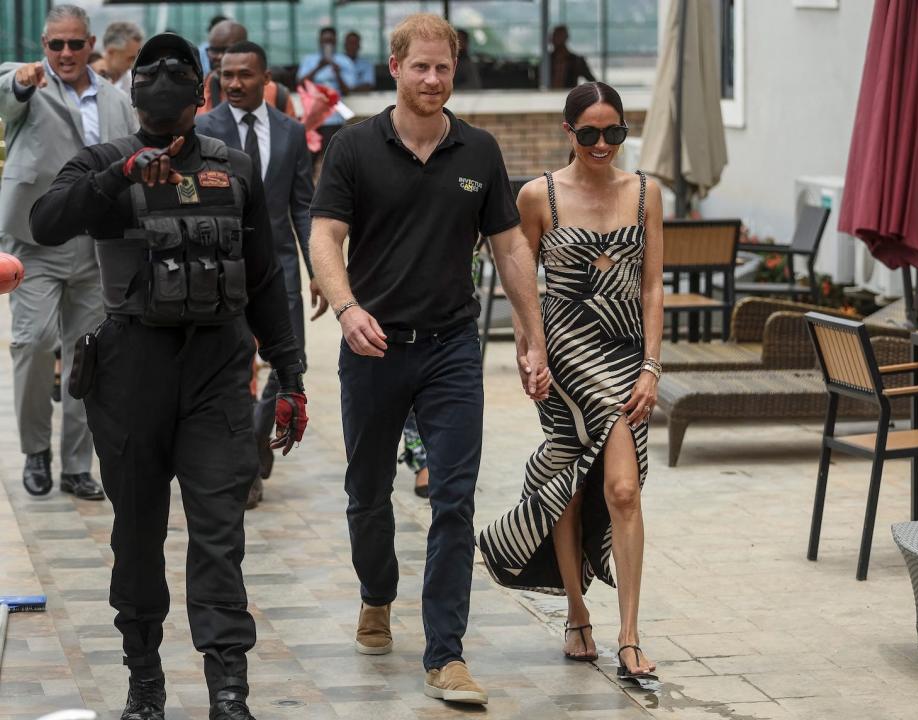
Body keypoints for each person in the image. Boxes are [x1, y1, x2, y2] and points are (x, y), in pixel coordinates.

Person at [29, 32, 307, 720]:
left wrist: (292, 377)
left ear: (200, 91)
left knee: (219, 533)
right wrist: (122, 175)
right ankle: (144, 681)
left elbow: (266, 279)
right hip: (130, 371)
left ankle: (229, 689)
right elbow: (46, 221)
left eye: (175, 73)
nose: (159, 83)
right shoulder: (105, 161)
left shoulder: (234, 169)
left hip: (217, 370)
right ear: (131, 94)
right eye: (146, 73)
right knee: (138, 534)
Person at [309, 12, 549, 706]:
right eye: (421, 67)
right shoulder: (355, 147)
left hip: (450, 348)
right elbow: (325, 236)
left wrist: (531, 337)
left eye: (443, 68)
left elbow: (509, 248)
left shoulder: (479, 151)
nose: (433, 80)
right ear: (396, 68)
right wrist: (348, 308)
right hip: (374, 346)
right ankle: (377, 593)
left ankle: (446, 654)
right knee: (366, 491)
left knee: (453, 498)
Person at [477, 81, 664, 681]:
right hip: (567, 355)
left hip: (627, 351)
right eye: (590, 134)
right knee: (584, 481)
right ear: (569, 133)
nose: (603, 144)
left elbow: (653, 286)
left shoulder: (645, 194)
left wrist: (653, 365)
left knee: (615, 488)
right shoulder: (539, 196)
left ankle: (629, 633)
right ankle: (579, 612)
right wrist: (530, 353)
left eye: (614, 133)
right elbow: (519, 279)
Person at [0, 3, 137, 501]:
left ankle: (78, 464)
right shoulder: (27, 85)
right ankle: (36, 450)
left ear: (91, 44)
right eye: (54, 44)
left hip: (97, 246)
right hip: (34, 243)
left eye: (74, 43)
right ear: (43, 46)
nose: (64, 53)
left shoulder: (116, 100)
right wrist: (20, 80)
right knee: (32, 342)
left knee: (88, 358)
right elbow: (4, 96)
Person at [196, 40, 325, 508]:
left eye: (244, 74)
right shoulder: (202, 129)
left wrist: (319, 271)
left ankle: (253, 439)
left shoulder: (291, 133)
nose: (233, 83)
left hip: (280, 268)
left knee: (292, 363)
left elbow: (303, 208)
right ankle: (243, 461)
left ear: (266, 78)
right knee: (229, 365)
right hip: (220, 267)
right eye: (225, 75)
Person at [199, 20, 296, 118]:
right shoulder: (198, 93)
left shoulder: (278, 95)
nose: (219, 56)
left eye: (227, 50)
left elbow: (290, 131)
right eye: (213, 50)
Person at [297, 26, 354, 154]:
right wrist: (318, 67)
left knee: (332, 156)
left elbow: (347, 90)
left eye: (330, 40)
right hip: (312, 117)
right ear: (319, 41)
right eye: (325, 40)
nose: (327, 43)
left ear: (335, 41)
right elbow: (300, 83)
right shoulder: (309, 60)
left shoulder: (344, 61)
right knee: (310, 157)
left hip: (334, 117)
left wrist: (338, 73)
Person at [100, 21, 143, 95]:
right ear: (111, 52)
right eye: (130, 58)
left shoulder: (135, 84)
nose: (132, 64)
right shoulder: (88, 81)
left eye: (136, 58)